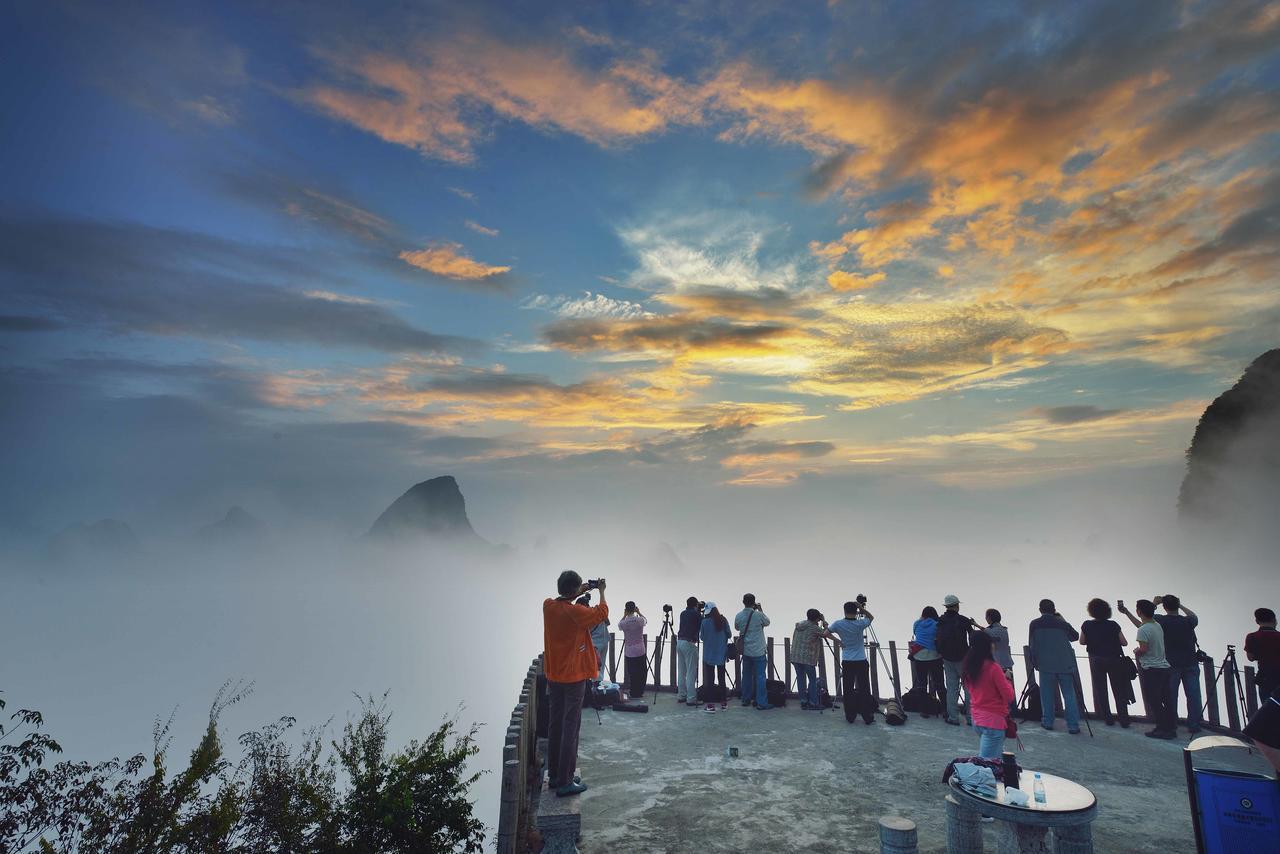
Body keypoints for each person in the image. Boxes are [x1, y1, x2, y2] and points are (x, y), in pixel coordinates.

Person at [543, 572, 608, 797]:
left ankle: (554, 775)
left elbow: (563, 599)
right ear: (573, 590)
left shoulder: (548, 607)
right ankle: (566, 780)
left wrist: (579, 590)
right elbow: (602, 613)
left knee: (555, 725)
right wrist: (601, 591)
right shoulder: (576, 613)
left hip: (554, 676)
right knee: (571, 727)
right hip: (573, 678)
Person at [1119, 598, 1176, 739]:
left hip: (1152, 669)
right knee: (1166, 699)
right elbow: (1142, 626)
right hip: (1164, 667)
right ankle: (1170, 727)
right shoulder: (1156, 625)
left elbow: (1143, 649)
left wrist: (1136, 651)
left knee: (1154, 700)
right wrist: (1127, 613)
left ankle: (1162, 729)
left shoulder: (1143, 630)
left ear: (1139, 611)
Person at [1028, 599, 1081, 734]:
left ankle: (1048, 722)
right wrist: (1062, 619)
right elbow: (1075, 637)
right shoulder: (1061, 624)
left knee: (1046, 694)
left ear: (1040, 609)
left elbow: (1032, 644)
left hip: (1045, 664)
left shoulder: (1035, 624)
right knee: (1069, 694)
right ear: (1054, 609)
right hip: (1065, 663)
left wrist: (1034, 661)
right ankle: (1073, 725)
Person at [962, 631, 1016, 759]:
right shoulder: (993, 668)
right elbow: (1009, 696)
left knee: (996, 757)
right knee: (986, 765)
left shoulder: (969, 666)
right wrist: (1006, 678)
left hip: (977, 719)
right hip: (993, 722)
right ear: (987, 646)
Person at [1154, 594, 1203, 734]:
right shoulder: (1188, 621)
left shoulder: (1161, 620)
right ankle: (1194, 724)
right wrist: (1180, 605)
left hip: (1171, 664)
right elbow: (1194, 616)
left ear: (1164, 607)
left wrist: (1155, 602)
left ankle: (1172, 723)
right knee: (1193, 695)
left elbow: (1146, 616)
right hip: (1190, 662)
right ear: (1177, 605)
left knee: (1171, 696)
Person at [1079, 598, 1131, 727]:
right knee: (1119, 690)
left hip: (1096, 660)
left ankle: (1108, 718)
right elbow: (1124, 642)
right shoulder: (1113, 624)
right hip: (1114, 659)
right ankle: (1124, 719)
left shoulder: (1087, 625)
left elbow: (1082, 641)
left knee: (1101, 690)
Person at [829, 599, 876, 724]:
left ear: (844, 611)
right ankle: (867, 717)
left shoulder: (838, 624)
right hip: (861, 660)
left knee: (848, 689)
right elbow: (871, 617)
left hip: (847, 660)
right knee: (864, 688)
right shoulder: (860, 624)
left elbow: (825, 633)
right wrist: (862, 608)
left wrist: (838, 641)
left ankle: (850, 716)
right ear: (856, 611)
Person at [936, 595, 978, 726]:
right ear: (956, 605)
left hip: (947, 658)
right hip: (963, 658)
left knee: (951, 688)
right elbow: (973, 636)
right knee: (968, 688)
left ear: (946, 606)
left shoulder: (941, 620)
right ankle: (971, 718)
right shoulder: (963, 620)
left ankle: (953, 717)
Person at [791, 609, 836, 710]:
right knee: (812, 680)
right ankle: (813, 703)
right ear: (817, 618)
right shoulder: (814, 628)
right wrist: (824, 622)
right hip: (808, 658)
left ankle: (803, 701)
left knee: (800, 679)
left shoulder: (800, 624)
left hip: (795, 656)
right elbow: (826, 633)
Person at [735, 594, 772, 710]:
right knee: (760, 677)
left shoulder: (739, 615)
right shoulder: (758, 615)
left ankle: (745, 699)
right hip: (759, 651)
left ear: (743, 602)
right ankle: (762, 703)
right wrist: (760, 609)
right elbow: (767, 622)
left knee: (746, 676)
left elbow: (737, 627)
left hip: (746, 651)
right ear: (754, 602)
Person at [911, 606, 945, 715]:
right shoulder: (937, 624)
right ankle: (945, 709)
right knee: (939, 683)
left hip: (919, 656)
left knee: (922, 683)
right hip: (934, 656)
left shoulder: (917, 623)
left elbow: (916, 634)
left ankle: (923, 710)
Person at [700, 602, 732, 712]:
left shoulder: (704, 622)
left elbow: (702, 637)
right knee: (721, 679)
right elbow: (729, 634)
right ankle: (724, 704)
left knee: (710, 681)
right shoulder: (723, 620)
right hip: (721, 654)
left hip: (709, 655)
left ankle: (710, 705)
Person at [1245, 607, 1280, 703]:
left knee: (1268, 707)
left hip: (1265, 677)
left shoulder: (1252, 637)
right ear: (1274, 620)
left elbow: (1250, 657)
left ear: (1257, 621)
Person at [617, 601, 648, 701]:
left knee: (632, 672)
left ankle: (633, 692)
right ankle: (640, 691)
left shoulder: (624, 622)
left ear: (626, 610)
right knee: (642, 671)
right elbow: (646, 620)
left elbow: (619, 626)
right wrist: (639, 612)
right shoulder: (639, 620)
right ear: (635, 608)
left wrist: (624, 615)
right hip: (640, 649)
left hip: (629, 650)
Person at [676, 596, 702, 706]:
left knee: (682, 671)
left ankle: (681, 695)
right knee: (691, 672)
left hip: (680, 642)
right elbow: (701, 626)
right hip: (689, 643)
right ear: (696, 604)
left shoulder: (683, 613)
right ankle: (691, 698)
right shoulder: (697, 614)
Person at [582, 595, 611, 683]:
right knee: (601, 665)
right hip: (605, 640)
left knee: (594, 666)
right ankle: (599, 684)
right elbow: (608, 622)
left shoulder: (585, 616)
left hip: (595, 643)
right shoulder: (597, 611)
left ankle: (595, 686)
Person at [984, 609, 1015, 688]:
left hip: (996, 663)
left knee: (997, 688)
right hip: (1007, 662)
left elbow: (985, 631)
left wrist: (975, 624)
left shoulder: (989, 631)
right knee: (1008, 686)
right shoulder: (1004, 629)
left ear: (989, 618)